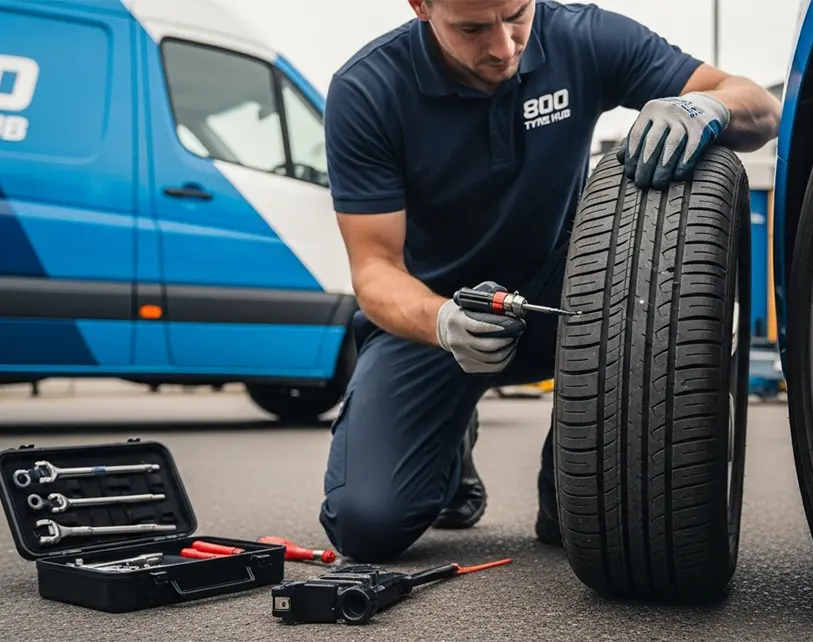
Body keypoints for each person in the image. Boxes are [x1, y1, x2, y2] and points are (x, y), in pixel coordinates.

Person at [319, 0, 781, 562]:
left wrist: (706, 105)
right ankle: (449, 441)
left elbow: (759, 105)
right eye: (471, 28)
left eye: (515, 14)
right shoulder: (367, 89)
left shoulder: (582, 37)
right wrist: (441, 322)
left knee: (592, 517)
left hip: (565, 302)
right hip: (436, 317)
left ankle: (568, 475)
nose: (503, 47)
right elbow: (374, 270)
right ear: (421, 6)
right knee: (367, 526)